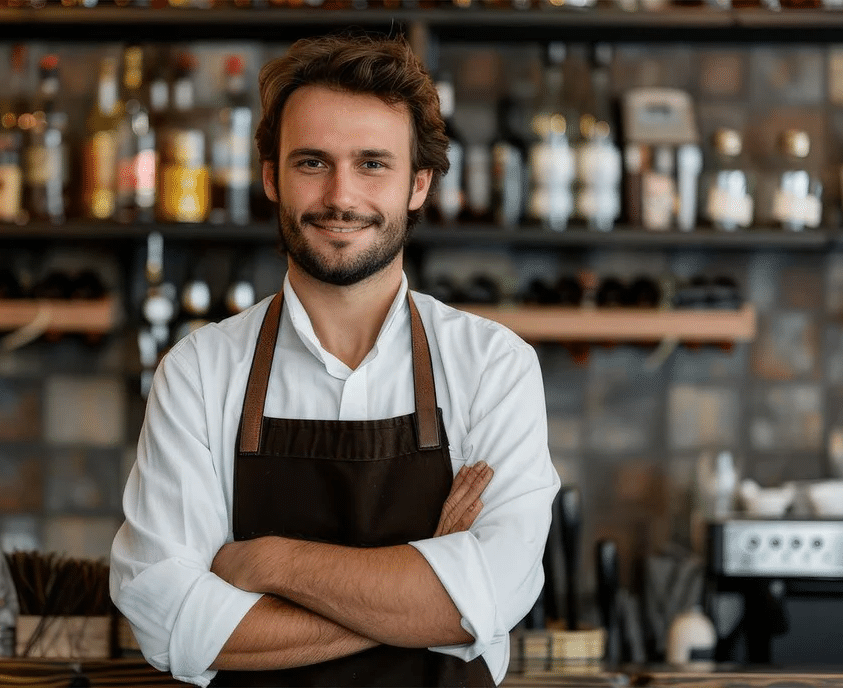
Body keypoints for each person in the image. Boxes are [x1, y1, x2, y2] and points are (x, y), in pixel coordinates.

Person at [111, 33, 560, 688]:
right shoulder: (199, 372)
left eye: (373, 163)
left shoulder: (493, 367)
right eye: (312, 163)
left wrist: (269, 563)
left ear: (419, 183)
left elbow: (489, 598)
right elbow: (169, 619)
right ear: (271, 178)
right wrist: (423, 594)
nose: (340, 196)